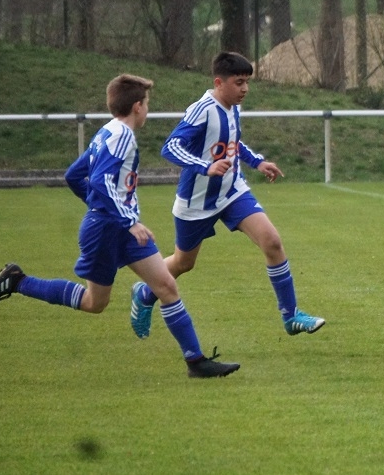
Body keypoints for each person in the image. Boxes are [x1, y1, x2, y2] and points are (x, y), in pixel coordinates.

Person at [0, 74, 239, 379]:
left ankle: (196, 362)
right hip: (108, 229)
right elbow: (101, 180)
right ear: (137, 106)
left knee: (166, 286)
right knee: (94, 303)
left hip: (117, 225)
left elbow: (74, 175)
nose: (148, 110)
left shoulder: (108, 131)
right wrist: (123, 218)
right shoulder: (122, 136)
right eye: (147, 103)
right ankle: (19, 281)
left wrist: (105, 209)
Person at [129, 52, 324, 340]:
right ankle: (145, 293)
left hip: (232, 192)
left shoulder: (233, 107)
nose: (245, 89)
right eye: (239, 82)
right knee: (183, 263)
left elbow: (232, 142)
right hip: (197, 202)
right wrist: (205, 167)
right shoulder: (203, 110)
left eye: (247, 82)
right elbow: (170, 147)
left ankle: (291, 315)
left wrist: (257, 162)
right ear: (219, 83)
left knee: (271, 241)